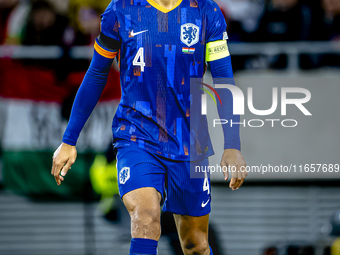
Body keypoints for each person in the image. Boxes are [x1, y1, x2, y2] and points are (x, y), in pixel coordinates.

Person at [51, 0, 247, 254]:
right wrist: (69, 140)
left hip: (190, 141)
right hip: (136, 136)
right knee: (145, 218)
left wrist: (232, 144)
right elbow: (96, 74)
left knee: (195, 244)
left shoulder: (206, 11)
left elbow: (223, 80)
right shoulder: (121, 9)